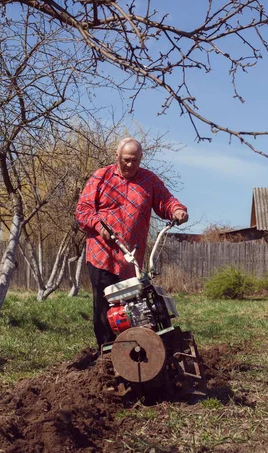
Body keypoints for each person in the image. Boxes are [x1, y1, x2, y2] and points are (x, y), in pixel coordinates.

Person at [75, 137, 188, 350]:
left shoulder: (149, 180)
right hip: (102, 255)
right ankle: (106, 355)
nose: (130, 165)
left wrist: (177, 210)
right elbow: (83, 211)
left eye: (135, 160)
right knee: (105, 309)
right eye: (126, 160)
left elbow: (165, 201)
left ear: (141, 159)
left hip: (131, 258)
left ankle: (135, 350)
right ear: (117, 156)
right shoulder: (101, 177)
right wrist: (99, 226)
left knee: (136, 307)